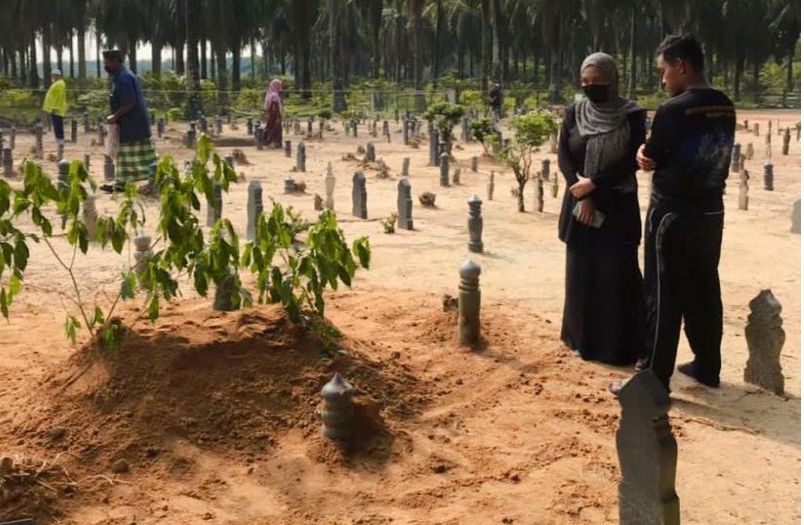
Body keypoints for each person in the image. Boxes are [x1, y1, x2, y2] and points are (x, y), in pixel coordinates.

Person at [631, 33, 735, 392]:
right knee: (705, 286)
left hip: (672, 214)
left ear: (681, 65)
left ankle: (653, 375)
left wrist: (643, 155)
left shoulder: (673, 109)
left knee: (662, 291)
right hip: (711, 213)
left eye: (664, 71)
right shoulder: (725, 105)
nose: (663, 79)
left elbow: (651, 156)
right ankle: (708, 365)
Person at [557, 52, 647, 367]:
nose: (591, 86)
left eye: (597, 81)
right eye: (586, 81)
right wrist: (582, 194)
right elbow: (565, 156)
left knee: (616, 275)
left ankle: (618, 347)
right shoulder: (574, 112)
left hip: (616, 203)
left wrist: (594, 183)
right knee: (582, 272)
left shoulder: (632, 114)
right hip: (579, 203)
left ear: (612, 79)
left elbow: (630, 161)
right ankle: (580, 339)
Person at [102, 49, 157, 190]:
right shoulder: (119, 76)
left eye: (107, 62)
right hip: (128, 124)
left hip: (134, 123)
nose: (106, 65)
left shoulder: (125, 77)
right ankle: (121, 182)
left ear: (115, 61)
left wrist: (115, 116)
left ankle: (157, 180)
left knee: (144, 156)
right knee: (125, 154)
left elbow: (129, 103)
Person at [42, 69, 67, 152]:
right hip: (54, 108)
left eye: (53, 75)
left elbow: (58, 97)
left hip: (56, 109)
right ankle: (59, 140)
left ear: (57, 76)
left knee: (57, 125)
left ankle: (60, 140)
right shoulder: (57, 83)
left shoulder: (60, 84)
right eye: (52, 75)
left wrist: (54, 107)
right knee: (56, 125)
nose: (52, 76)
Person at [262, 78, 283, 148]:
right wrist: (279, 115)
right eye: (277, 85)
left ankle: (266, 141)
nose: (279, 87)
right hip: (274, 115)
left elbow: (268, 106)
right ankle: (272, 142)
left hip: (271, 115)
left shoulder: (271, 94)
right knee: (274, 128)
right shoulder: (275, 95)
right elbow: (274, 107)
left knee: (270, 127)